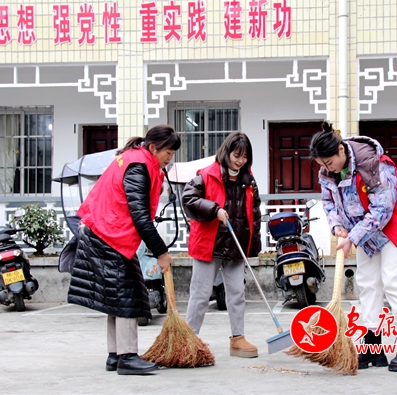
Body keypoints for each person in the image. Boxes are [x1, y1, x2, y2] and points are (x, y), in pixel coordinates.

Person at [68, 124, 181, 375]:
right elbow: (140, 216)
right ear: (153, 147)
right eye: (168, 153)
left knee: (116, 297)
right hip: (108, 235)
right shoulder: (138, 166)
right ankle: (127, 357)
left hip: (104, 232)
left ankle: (115, 355)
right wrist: (161, 253)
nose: (170, 158)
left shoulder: (135, 159)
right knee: (128, 296)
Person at [309, 122, 397, 373]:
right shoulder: (327, 172)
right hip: (364, 226)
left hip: (394, 221)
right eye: (322, 165)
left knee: (393, 281)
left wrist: (353, 236)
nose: (327, 168)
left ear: (341, 150)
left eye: (330, 162)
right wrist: (337, 225)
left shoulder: (373, 163)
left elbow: (384, 208)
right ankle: (373, 347)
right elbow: (328, 201)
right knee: (368, 283)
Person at [182, 132, 262, 358]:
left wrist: (253, 246)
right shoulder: (206, 175)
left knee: (237, 293)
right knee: (200, 294)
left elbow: (255, 213)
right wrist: (214, 210)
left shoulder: (248, 180)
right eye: (237, 155)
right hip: (209, 244)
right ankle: (189, 340)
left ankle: (238, 339)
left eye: (245, 157)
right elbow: (188, 200)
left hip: (236, 244)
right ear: (226, 152)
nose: (240, 161)